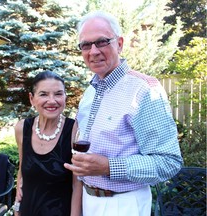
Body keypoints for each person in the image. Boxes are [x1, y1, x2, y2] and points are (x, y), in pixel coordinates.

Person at [64, 11, 183, 216]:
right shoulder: (90, 92)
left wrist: (109, 167)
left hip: (124, 204)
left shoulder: (144, 90)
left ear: (119, 43)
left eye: (101, 42)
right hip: (87, 200)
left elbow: (168, 162)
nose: (93, 51)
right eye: (85, 45)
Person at [13, 71, 82, 216]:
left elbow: (77, 184)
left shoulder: (74, 129)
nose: (52, 100)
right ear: (32, 99)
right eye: (43, 94)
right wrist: (17, 208)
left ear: (65, 97)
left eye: (58, 94)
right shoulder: (21, 128)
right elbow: (22, 170)